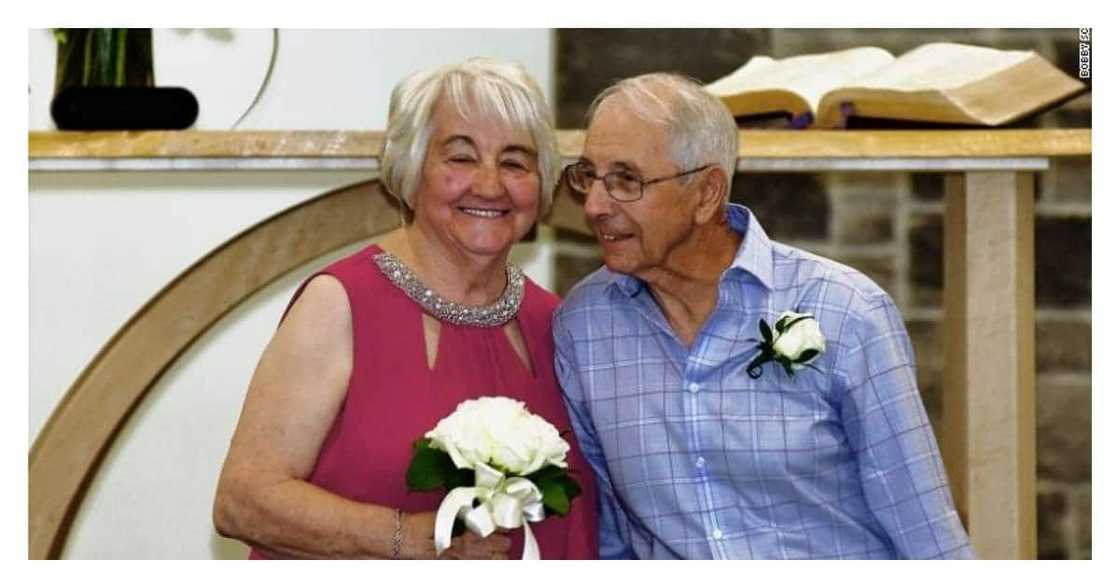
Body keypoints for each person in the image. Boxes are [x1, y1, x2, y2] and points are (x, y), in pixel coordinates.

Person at [552, 72, 974, 559]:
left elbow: (926, 534)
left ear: (707, 194)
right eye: (588, 176)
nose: (596, 206)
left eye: (626, 180)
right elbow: (608, 539)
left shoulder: (846, 312)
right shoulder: (584, 327)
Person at [213, 57, 598, 560]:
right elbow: (243, 501)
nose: (489, 184)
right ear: (412, 167)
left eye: (515, 161)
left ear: (542, 184)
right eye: (460, 158)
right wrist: (412, 538)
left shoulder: (555, 323)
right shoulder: (340, 304)